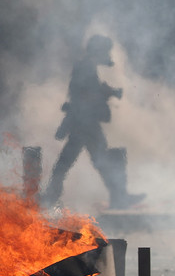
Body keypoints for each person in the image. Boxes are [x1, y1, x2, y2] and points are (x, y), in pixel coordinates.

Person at [43, 35, 144, 210]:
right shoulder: (86, 67)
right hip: (85, 122)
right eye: (104, 51)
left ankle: (50, 196)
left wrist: (105, 92)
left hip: (82, 122)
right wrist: (106, 93)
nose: (107, 54)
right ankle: (119, 196)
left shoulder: (86, 66)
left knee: (75, 161)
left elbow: (86, 92)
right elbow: (85, 95)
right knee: (99, 160)